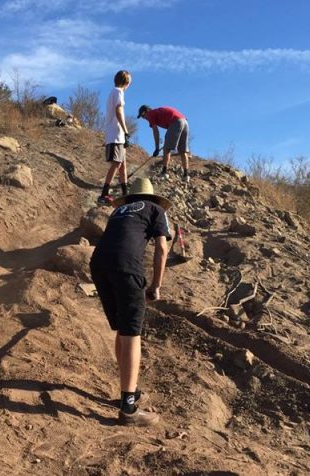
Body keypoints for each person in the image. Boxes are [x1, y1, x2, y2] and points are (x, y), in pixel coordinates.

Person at [89, 177, 172, 426]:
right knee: (132, 334)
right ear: (151, 197)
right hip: (127, 268)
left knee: (122, 331)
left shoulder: (119, 211)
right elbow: (162, 249)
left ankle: (129, 390)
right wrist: (156, 285)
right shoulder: (156, 210)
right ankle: (128, 408)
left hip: (99, 266)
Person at [97, 70, 132, 205]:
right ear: (127, 82)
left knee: (122, 166)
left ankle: (125, 193)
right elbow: (118, 111)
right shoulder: (118, 92)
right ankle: (104, 194)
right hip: (115, 135)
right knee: (117, 164)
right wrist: (126, 130)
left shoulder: (115, 92)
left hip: (118, 136)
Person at [137, 105, 190, 183]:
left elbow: (155, 131)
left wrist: (157, 148)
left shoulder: (150, 114)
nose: (144, 118)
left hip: (176, 122)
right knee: (182, 151)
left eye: (143, 116)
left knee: (166, 148)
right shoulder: (157, 112)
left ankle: (164, 172)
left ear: (145, 112)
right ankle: (186, 175)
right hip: (184, 122)